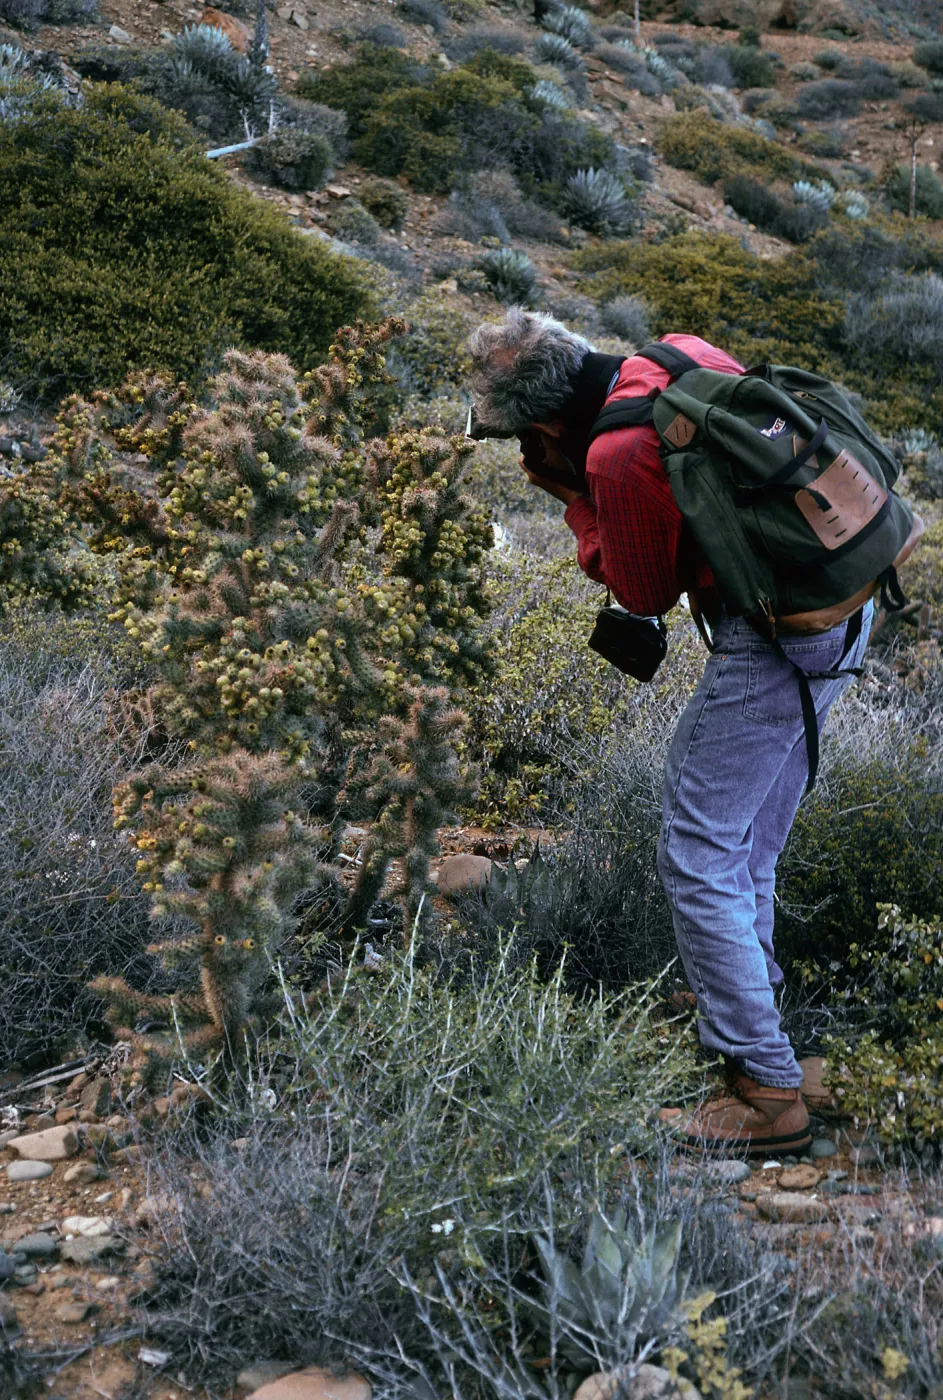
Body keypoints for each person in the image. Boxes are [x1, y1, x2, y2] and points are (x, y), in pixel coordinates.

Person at [467, 308, 873, 1155]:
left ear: (542, 421)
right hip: (841, 595)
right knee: (745, 849)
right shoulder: (671, 357)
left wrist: (581, 505)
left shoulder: (612, 453)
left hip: (773, 639)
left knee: (697, 849)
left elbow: (640, 591)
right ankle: (756, 1030)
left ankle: (766, 1093)